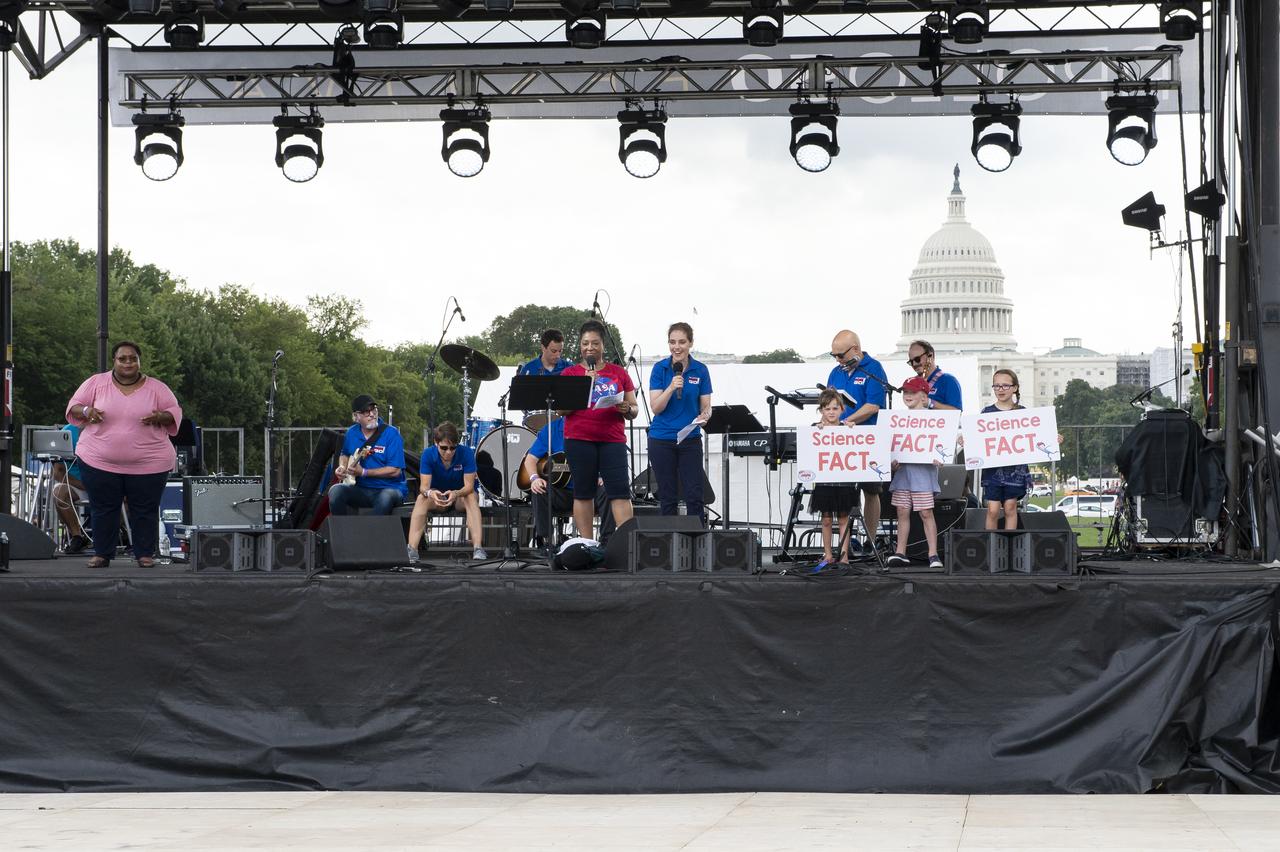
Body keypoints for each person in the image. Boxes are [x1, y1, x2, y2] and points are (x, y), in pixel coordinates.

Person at [65, 341, 182, 568]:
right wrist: (88, 411)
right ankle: (102, 554)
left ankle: (144, 554)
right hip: (98, 459)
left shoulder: (158, 388)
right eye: (122, 358)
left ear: (139, 361)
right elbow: (74, 407)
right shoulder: (96, 383)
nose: (128, 362)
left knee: (144, 509)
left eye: (133, 358)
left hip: (149, 462)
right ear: (114, 361)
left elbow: (174, 413)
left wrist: (160, 416)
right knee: (103, 507)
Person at [560, 320, 638, 540]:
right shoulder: (570, 374)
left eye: (595, 343)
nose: (589, 348)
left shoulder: (618, 373)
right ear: (580, 346)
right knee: (583, 493)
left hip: (612, 440)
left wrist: (627, 408)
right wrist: (583, 386)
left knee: (620, 493)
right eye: (585, 343)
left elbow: (634, 409)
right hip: (579, 440)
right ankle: (587, 543)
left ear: (603, 346)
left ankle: (625, 544)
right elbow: (560, 410)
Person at [825, 329, 888, 553]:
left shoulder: (873, 369)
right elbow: (828, 403)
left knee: (871, 490)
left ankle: (869, 539)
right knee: (845, 490)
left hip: (868, 438)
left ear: (855, 350)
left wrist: (847, 420)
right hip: (841, 441)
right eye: (834, 355)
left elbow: (873, 405)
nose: (838, 360)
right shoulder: (835, 372)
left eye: (841, 355)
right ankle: (847, 540)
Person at [647, 322, 713, 525]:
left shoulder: (700, 370)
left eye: (682, 342)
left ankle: (698, 543)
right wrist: (671, 387)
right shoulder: (660, 369)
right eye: (672, 342)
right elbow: (656, 407)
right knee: (667, 496)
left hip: (690, 439)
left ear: (690, 343)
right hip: (661, 439)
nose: (677, 347)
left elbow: (706, 405)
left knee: (694, 494)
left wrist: (706, 415)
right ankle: (669, 544)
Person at [521, 416, 616, 552]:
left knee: (608, 489)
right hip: (563, 492)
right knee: (538, 489)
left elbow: (609, 456)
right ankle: (546, 543)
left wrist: (603, 475)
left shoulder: (594, 425)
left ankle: (607, 543)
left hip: (590, 491)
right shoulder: (551, 429)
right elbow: (530, 460)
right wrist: (535, 478)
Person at [886, 376, 944, 569]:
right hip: (903, 473)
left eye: (912, 392)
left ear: (923, 395)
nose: (908, 395)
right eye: (905, 392)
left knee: (926, 512)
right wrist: (890, 463)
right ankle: (900, 552)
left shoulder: (934, 419)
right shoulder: (897, 420)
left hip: (923, 475)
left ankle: (933, 554)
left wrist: (941, 457)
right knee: (902, 511)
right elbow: (891, 447)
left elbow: (942, 446)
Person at [407, 421, 486, 561]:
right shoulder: (427, 454)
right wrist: (431, 493)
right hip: (438, 497)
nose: (449, 451)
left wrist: (455, 493)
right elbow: (424, 487)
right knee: (421, 498)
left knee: (471, 496)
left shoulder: (466, 453)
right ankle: (412, 549)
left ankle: (478, 548)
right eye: (444, 448)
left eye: (452, 448)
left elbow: (468, 486)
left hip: (460, 497)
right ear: (436, 443)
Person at [328, 394, 408, 516]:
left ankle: (371, 533)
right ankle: (344, 532)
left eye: (374, 410)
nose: (372, 414)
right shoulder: (351, 433)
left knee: (385, 497)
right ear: (356, 416)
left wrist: (364, 472)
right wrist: (342, 467)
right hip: (361, 489)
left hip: (390, 488)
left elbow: (395, 470)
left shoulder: (392, 434)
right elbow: (344, 454)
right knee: (335, 491)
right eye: (366, 412)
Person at [810, 389, 860, 569]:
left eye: (834, 408)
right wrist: (817, 429)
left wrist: (852, 430)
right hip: (824, 482)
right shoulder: (815, 429)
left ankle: (844, 555)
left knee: (844, 519)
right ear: (821, 411)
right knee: (826, 519)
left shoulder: (848, 429)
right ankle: (828, 554)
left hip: (844, 481)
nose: (831, 412)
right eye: (827, 408)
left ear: (842, 409)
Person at [982, 369, 1034, 530]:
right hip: (993, 470)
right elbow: (979, 437)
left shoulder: (1022, 413)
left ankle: (1010, 548)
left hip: (1015, 470)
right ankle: (990, 550)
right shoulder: (986, 413)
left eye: (1005, 386)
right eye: (996, 386)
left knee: (1011, 507)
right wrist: (967, 439)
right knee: (993, 510)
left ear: (1015, 388)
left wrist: (1053, 439)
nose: (1000, 390)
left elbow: (1035, 436)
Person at [51, 423, 91, 554]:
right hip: (78, 485)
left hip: (105, 483)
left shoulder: (109, 426)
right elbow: (58, 472)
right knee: (58, 493)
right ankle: (77, 537)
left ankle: (118, 536)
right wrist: (84, 485)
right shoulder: (67, 431)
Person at [906, 339, 962, 411]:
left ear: (930, 356)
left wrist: (930, 403)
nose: (914, 364)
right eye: (911, 362)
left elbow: (957, 412)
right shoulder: (912, 383)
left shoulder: (948, 380)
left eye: (917, 359)